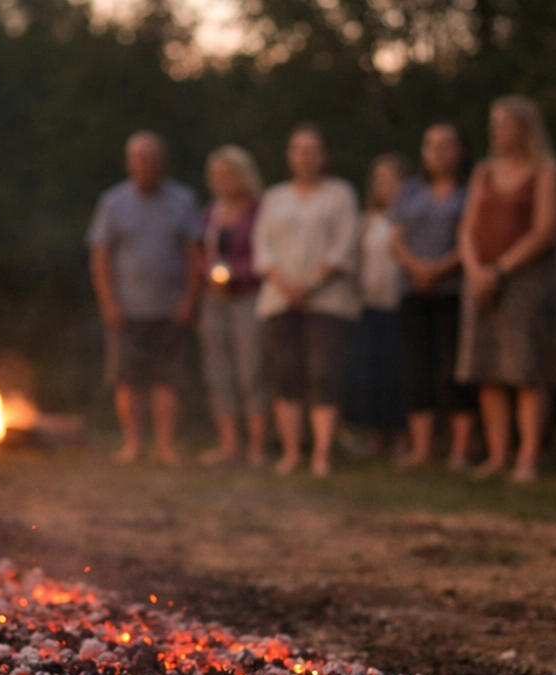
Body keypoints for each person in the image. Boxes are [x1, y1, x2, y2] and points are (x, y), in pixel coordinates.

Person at [456, 96, 556, 483]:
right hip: (481, 280)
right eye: (494, 124)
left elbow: (545, 230)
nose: (496, 131)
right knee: (488, 369)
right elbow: (467, 228)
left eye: (504, 124)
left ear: (525, 128)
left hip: (525, 282)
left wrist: (501, 269)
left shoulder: (546, 172)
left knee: (525, 370)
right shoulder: (484, 172)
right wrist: (476, 271)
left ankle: (529, 456)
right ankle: (498, 455)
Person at [252, 125, 362, 477]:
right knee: (285, 374)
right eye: (298, 150)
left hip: (327, 301)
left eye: (312, 150)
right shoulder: (275, 197)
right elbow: (263, 248)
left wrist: (311, 284)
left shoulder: (340, 195)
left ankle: (322, 453)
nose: (304, 157)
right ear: (290, 156)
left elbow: (345, 245)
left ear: (324, 156)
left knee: (323, 373)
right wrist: (286, 286)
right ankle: (291, 452)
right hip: (279, 300)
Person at [88, 132, 202, 466]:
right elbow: (101, 255)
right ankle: (133, 445)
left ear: (162, 163)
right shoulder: (113, 202)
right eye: (139, 159)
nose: (146, 166)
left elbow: (195, 254)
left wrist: (190, 299)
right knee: (128, 380)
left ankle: (165, 446)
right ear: (128, 163)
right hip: (126, 307)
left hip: (171, 306)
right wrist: (108, 301)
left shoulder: (183, 200)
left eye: (152, 159)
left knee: (169, 380)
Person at [393, 123, 475, 469]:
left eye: (446, 145)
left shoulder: (470, 191)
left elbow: (473, 237)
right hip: (412, 290)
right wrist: (417, 269)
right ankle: (422, 448)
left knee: (455, 367)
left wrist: (439, 269)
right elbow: (396, 238)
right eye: (431, 145)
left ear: (460, 151)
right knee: (418, 368)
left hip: (453, 291)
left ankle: (460, 450)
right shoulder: (410, 191)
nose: (438, 152)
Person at [196, 146, 267, 468]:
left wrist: (234, 273)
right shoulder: (211, 212)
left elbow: (266, 253)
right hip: (215, 299)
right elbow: (200, 252)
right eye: (217, 175)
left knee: (251, 369)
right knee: (219, 370)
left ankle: (257, 446)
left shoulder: (259, 210)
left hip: (248, 296)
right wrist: (209, 273)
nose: (223, 180)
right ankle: (228, 445)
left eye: (229, 174)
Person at [345, 154, 408, 458]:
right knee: (372, 373)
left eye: (393, 179)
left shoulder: (410, 218)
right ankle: (376, 437)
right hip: (371, 305)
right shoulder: (367, 220)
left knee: (399, 373)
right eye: (380, 180)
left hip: (401, 304)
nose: (386, 186)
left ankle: (403, 438)